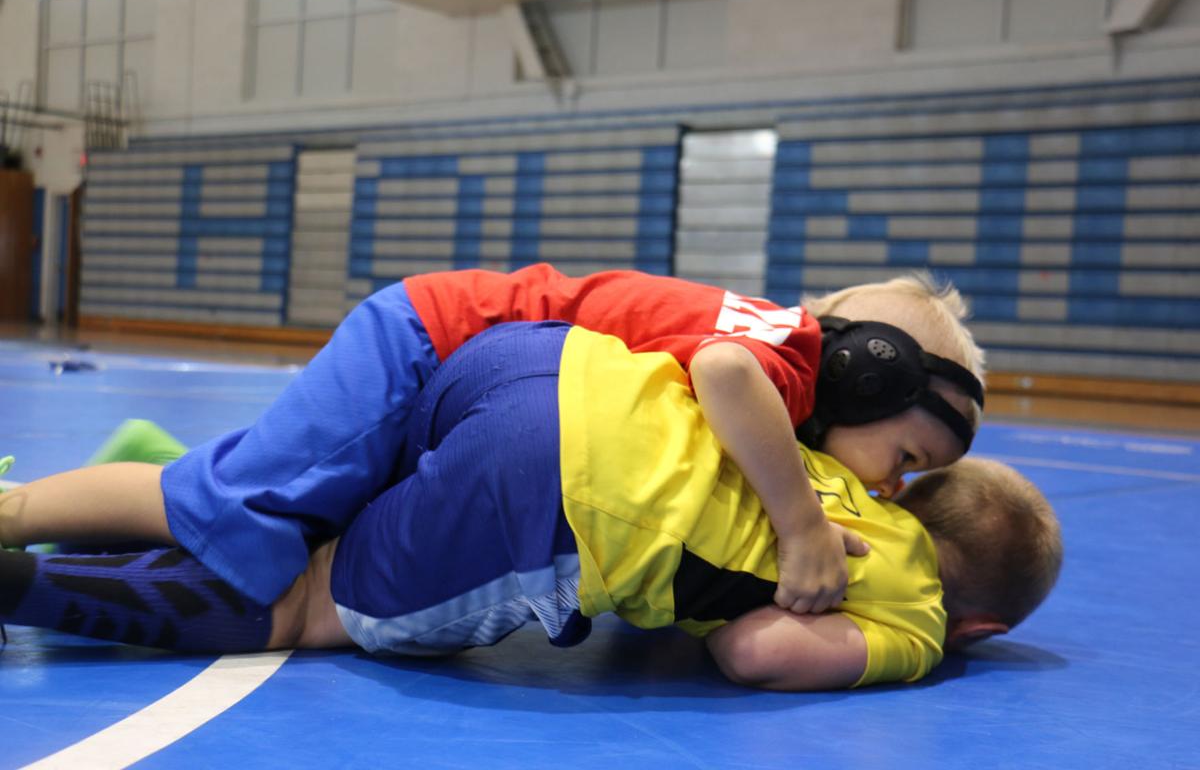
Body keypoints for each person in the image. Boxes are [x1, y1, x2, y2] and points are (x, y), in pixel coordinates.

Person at [0, 323, 1056, 690]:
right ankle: (22, 584)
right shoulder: (919, 619)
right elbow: (755, 652)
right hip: (557, 479)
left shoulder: (832, 469)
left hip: (541, 362)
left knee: (309, 508)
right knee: (305, 605)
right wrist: (895, 648)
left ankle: (78, 502)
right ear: (980, 625)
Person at [0, 264, 984, 616]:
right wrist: (799, 523)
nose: (894, 489)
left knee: (292, 508)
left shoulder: (781, 341)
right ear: (871, 375)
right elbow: (725, 379)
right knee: (237, 509)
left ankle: (143, 460)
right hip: (427, 341)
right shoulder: (783, 357)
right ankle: (16, 512)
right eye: (908, 460)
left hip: (460, 367)